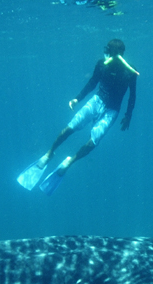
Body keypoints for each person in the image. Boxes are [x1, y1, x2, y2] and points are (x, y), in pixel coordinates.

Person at [17, 39, 138, 194]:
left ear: (116, 53)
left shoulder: (130, 71)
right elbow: (93, 83)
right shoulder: (102, 64)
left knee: (93, 141)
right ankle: (49, 154)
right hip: (97, 101)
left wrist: (128, 115)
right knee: (70, 128)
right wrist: (77, 98)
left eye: (109, 50)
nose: (106, 52)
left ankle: (69, 161)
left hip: (112, 109)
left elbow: (132, 95)